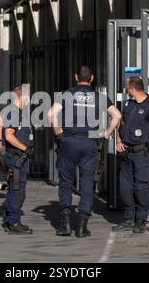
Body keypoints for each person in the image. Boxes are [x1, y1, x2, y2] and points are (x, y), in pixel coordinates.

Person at [48, 66, 122, 238]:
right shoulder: (100, 97)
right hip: (90, 143)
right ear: (92, 78)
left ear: (76, 77)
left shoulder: (67, 94)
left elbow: (51, 114)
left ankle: (65, 223)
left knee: (66, 180)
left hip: (69, 142)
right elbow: (117, 116)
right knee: (87, 182)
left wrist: (58, 131)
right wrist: (107, 133)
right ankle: (82, 225)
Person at [113, 76, 149, 234]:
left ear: (132, 89)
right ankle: (129, 218)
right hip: (126, 152)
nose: (125, 89)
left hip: (142, 153)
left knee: (141, 187)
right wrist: (118, 139)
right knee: (125, 187)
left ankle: (141, 220)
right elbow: (121, 123)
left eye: (126, 87)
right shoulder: (128, 104)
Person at [2, 85, 35, 235]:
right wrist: (25, 148)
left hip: (19, 157)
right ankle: (14, 222)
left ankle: (10, 220)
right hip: (16, 157)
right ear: (22, 97)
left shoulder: (19, 113)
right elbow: (9, 135)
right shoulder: (14, 113)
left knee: (14, 189)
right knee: (17, 190)